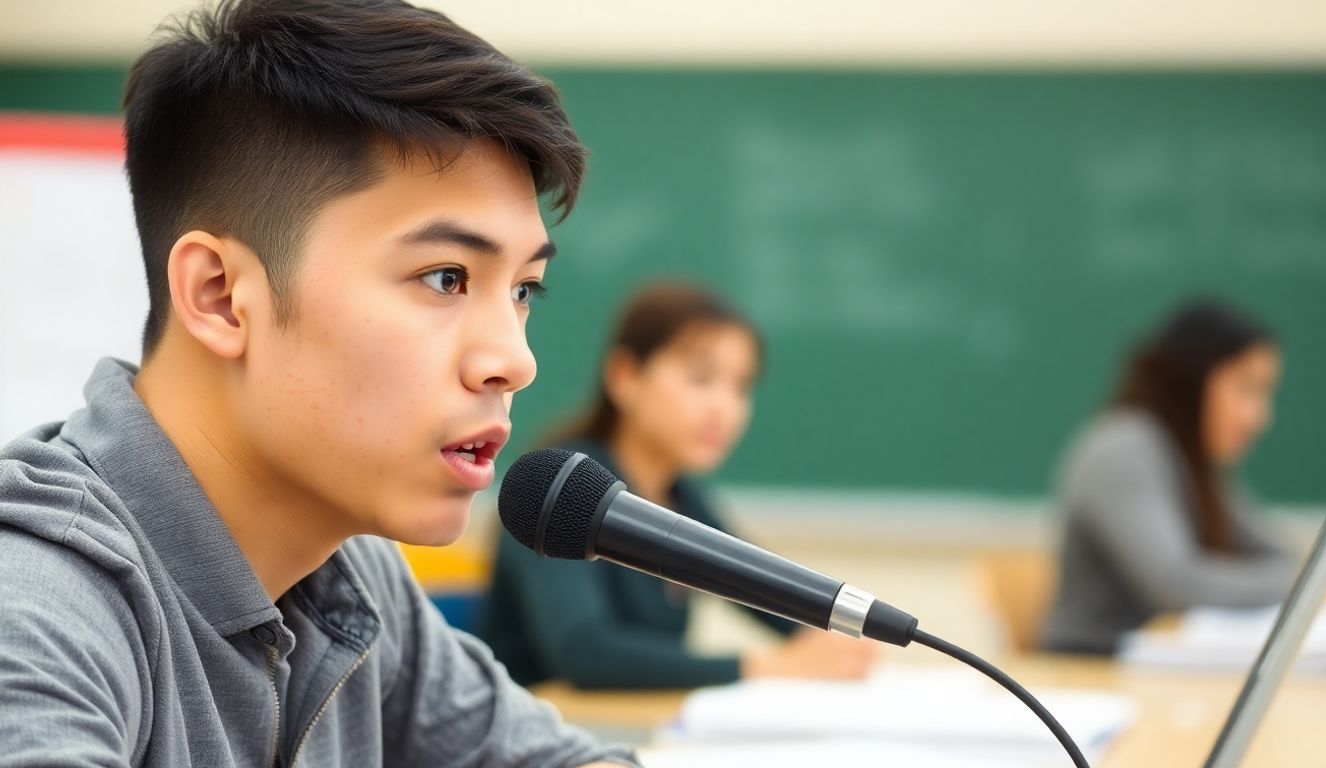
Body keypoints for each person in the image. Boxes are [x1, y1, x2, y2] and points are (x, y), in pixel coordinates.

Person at [0, 1, 637, 765]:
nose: (515, 361)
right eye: (445, 277)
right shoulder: (35, 607)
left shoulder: (344, 569)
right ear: (219, 296)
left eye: (523, 289)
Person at [480, 282, 876, 689]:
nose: (724, 408)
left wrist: (834, 633)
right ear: (625, 376)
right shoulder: (565, 491)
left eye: (740, 387)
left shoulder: (682, 498)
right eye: (702, 379)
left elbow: (764, 589)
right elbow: (584, 651)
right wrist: (765, 665)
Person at [1043, 300, 1300, 654]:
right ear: (1194, 378)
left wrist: (1313, 578)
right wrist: (1313, 585)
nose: (1259, 418)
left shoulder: (1190, 460)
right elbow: (1177, 585)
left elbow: (1274, 555)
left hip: (1159, 668)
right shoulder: (1124, 449)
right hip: (1094, 668)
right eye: (1246, 388)